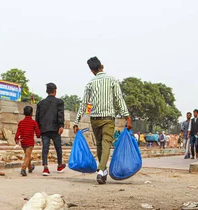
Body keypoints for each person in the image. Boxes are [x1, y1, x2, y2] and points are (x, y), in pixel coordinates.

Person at [74, 57, 132, 185]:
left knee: (100, 144)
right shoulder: (112, 80)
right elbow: (119, 99)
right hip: (108, 118)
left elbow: (83, 104)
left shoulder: (90, 83)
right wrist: (127, 116)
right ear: (102, 67)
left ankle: (103, 171)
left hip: (94, 119)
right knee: (106, 144)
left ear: (92, 70)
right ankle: (101, 170)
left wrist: (76, 121)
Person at [36, 82, 65, 176]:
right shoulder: (59, 102)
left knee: (45, 148)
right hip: (55, 128)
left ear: (46, 91)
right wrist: (61, 125)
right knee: (58, 148)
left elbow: (37, 117)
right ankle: (60, 165)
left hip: (44, 129)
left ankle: (45, 168)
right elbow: (60, 115)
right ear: (55, 91)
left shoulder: (40, 103)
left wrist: (38, 129)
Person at [15, 106, 41, 176]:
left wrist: (16, 139)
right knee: (27, 156)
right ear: (32, 113)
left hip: (23, 142)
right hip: (30, 142)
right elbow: (38, 133)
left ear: (23, 113)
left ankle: (30, 167)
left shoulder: (21, 122)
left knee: (27, 155)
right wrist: (39, 136)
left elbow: (18, 132)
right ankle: (23, 169)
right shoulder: (33, 122)